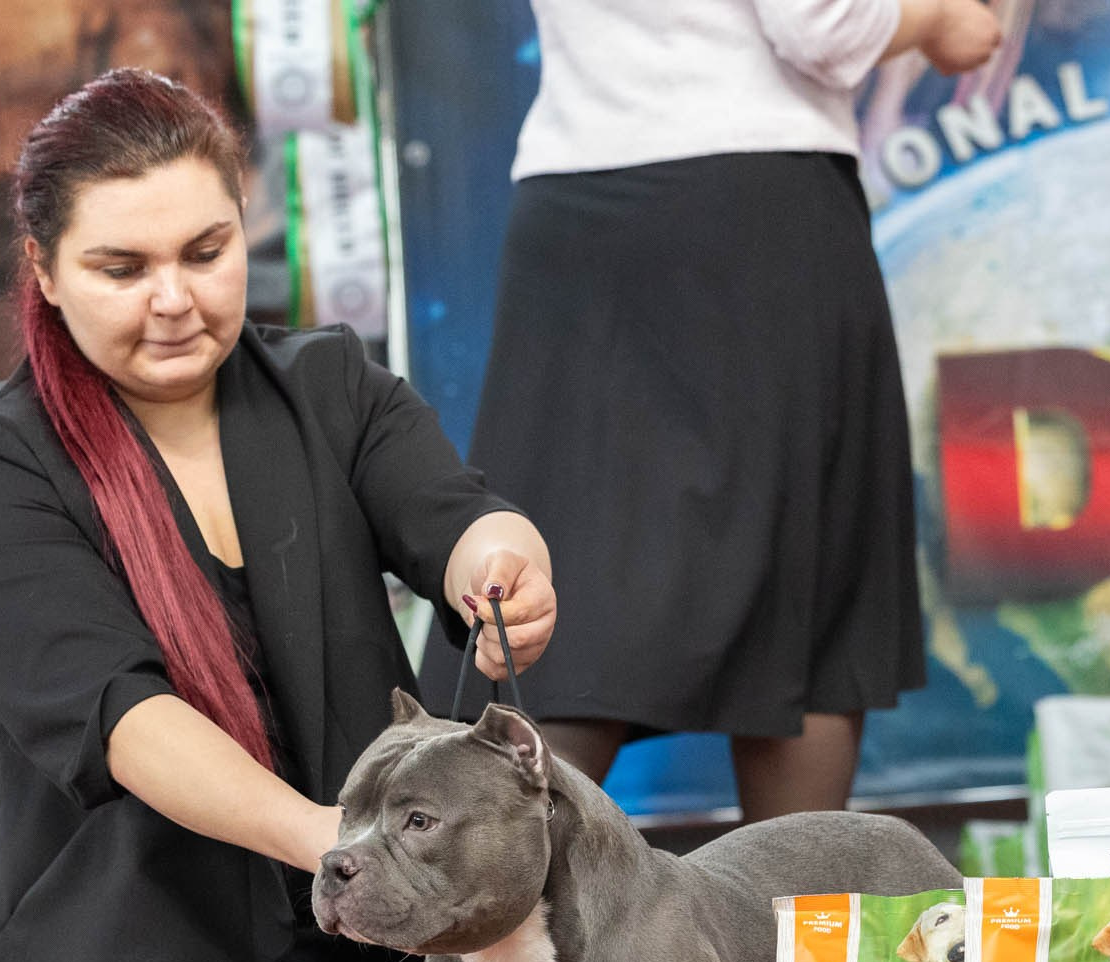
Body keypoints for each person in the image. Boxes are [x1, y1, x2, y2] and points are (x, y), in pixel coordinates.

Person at [0, 67, 618, 962]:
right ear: (40, 267)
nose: (176, 300)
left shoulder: (329, 384)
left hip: (356, 908)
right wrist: (342, 848)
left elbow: (456, 517)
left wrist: (502, 566)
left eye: (206, 249)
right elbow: (128, 723)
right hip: (146, 933)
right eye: (122, 268)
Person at [423, 0, 1002, 817]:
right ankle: (794, 939)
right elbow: (820, 20)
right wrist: (942, 21)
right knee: (803, 626)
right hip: (753, 203)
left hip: (578, 198)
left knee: (563, 608)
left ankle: (463, 925)